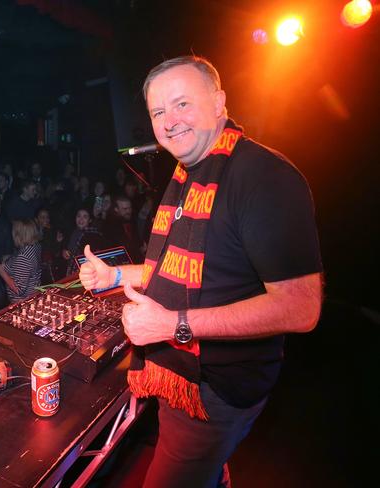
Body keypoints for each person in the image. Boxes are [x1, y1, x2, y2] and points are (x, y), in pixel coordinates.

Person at [79, 55, 323, 488]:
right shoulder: (187, 176)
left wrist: (173, 325)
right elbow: (171, 270)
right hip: (185, 378)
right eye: (158, 112)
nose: (170, 121)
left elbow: (300, 307)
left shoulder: (263, 176)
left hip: (217, 391)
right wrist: (114, 278)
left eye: (181, 104)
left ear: (219, 102)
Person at [0, 219, 41, 303]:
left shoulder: (23, 257)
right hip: (32, 294)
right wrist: (9, 259)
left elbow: (19, 289)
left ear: (19, 235)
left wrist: (1, 271)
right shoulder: (35, 246)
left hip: (21, 301)